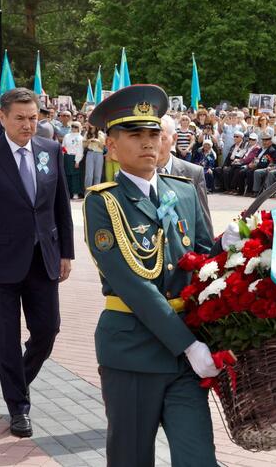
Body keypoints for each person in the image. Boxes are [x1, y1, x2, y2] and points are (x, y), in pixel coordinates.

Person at [84, 84, 219, 467]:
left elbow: (206, 260)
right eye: (135, 135)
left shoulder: (184, 190)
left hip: (185, 356)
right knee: (131, 459)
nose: (148, 143)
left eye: (154, 134)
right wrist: (190, 347)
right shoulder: (103, 202)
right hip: (134, 352)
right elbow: (133, 285)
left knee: (198, 459)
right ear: (111, 147)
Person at [0, 87, 74, 438]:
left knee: (47, 329)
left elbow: (61, 206)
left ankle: (17, 380)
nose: (28, 125)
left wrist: (66, 251)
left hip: (44, 258)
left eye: (33, 118)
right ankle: (18, 408)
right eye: (20, 118)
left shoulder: (51, 150)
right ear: (3, 117)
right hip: (0, 261)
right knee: (6, 338)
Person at [157, 115, 213, 234]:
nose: (155, 145)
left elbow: (203, 219)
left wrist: (209, 251)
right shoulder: (138, 173)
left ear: (174, 138)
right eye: (151, 138)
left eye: (162, 138)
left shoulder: (193, 173)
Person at [61, 121, 85, 199]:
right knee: (67, 175)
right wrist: (65, 153)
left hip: (75, 157)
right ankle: (68, 192)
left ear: (79, 128)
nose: (74, 128)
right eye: (73, 126)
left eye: (76, 127)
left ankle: (75, 193)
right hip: (67, 157)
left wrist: (77, 161)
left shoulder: (81, 138)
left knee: (75, 176)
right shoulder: (67, 136)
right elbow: (63, 146)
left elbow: (80, 150)